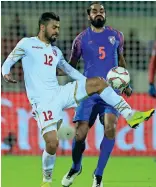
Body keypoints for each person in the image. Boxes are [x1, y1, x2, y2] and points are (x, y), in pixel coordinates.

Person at [2, 12, 154, 187]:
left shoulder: (55, 51)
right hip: (43, 102)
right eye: (54, 27)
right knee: (52, 143)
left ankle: (130, 114)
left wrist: (87, 85)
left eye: (58, 28)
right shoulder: (27, 44)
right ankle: (47, 180)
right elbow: (9, 60)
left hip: (60, 93)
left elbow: (70, 71)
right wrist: (5, 71)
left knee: (98, 82)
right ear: (43, 27)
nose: (57, 31)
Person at [61, 2, 153, 187]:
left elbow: (120, 59)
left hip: (111, 92)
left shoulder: (116, 35)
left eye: (102, 11)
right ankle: (75, 167)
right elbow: (70, 66)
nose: (99, 14)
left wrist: (125, 82)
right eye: (95, 11)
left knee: (110, 127)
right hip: (88, 91)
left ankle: (98, 175)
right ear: (89, 16)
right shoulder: (80, 40)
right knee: (80, 134)